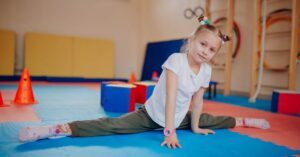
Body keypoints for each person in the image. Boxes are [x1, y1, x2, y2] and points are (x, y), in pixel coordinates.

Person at [19, 15, 270, 148]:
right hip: (152, 115)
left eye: (212, 49)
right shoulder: (175, 60)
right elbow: (171, 97)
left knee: (207, 119)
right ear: (192, 41)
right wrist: (169, 132)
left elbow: (198, 102)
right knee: (112, 125)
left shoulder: (204, 71)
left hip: (180, 115)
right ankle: (58, 129)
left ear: (216, 53)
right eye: (203, 44)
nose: (205, 51)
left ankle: (244, 120)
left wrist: (193, 127)